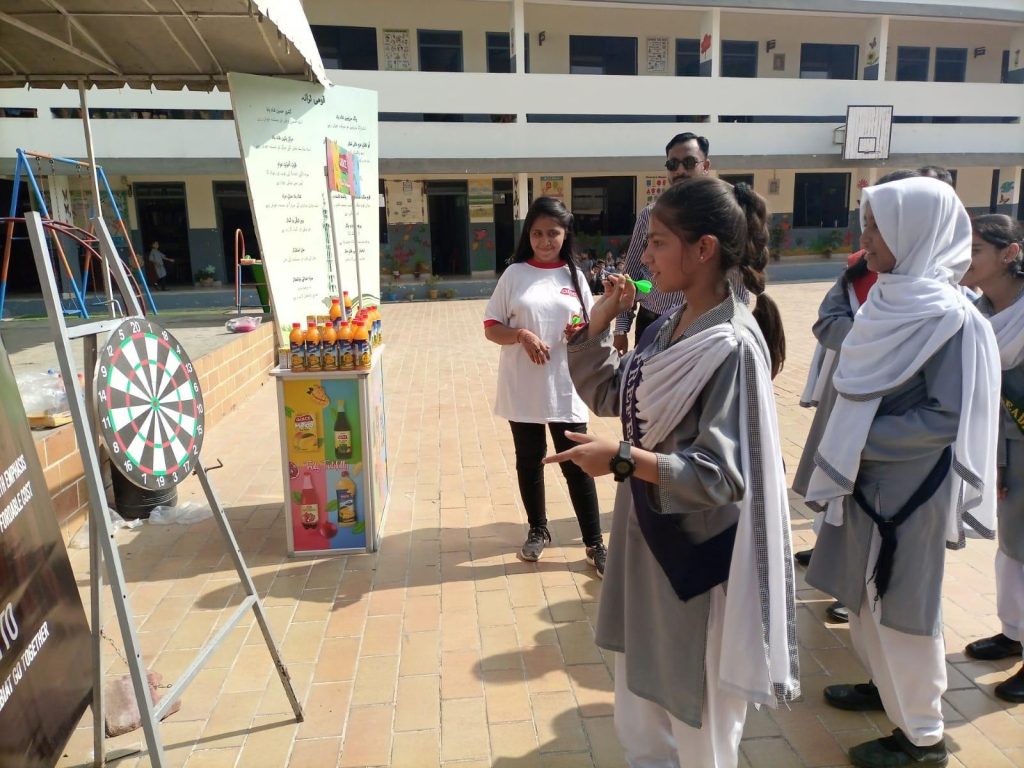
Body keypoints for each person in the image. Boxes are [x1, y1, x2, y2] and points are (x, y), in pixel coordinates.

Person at [547, 178, 799, 766]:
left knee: (698, 712)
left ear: (703, 248)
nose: (645, 259)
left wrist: (622, 459)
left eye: (658, 243)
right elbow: (616, 395)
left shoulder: (731, 346)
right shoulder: (669, 325)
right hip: (647, 536)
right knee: (641, 704)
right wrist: (600, 320)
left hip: (695, 556)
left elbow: (721, 476)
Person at [805, 177, 1000, 768]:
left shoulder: (950, 318)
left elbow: (945, 417)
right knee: (865, 603)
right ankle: (886, 692)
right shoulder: (889, 299)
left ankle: (923, 737)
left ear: (915, 233)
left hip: (907, 493)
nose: (863, 239)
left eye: (876, 228)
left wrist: (857, 442)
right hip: (865, 484)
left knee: (903, 612)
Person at [793, 169, 923, 625]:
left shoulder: (941, 306)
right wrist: (869, 343)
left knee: (879, 524)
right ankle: (842, 576)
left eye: (877, 226)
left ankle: (859, 591)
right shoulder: (863, 271)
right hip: (849, 397)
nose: (865, 238)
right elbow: (827, 320)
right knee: (840, 500)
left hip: (893, 443)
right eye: (865, 224)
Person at [483, 197, 607, 576]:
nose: (545, 241)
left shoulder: (575, 275)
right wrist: (521, 335)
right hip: (523, 384)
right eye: (537, 233)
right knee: (529, 459)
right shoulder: (514, 274)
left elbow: (592, 326)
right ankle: (538, 529)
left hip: (565, 385)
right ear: (528, 235)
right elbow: (491, 327)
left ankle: (595, 543)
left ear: (565, 234)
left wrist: (581, 333)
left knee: (577, 462)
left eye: (553, 233)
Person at [961, 214, 1024, 702]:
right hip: (1004, 445)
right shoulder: (978, 312)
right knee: (1013, 546)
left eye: (976, 249)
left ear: (1010, 254)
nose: (966, 258)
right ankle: (1014, 632)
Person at [613, 132, 712, 356]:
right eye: (672, 164)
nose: (680, 170)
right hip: (651, 323)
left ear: (705, 166)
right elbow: (630, 272)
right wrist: (621, 329)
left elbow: (735, 282)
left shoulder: (719, 217)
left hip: (700, 326)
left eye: (689, 162)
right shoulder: (650, 215)